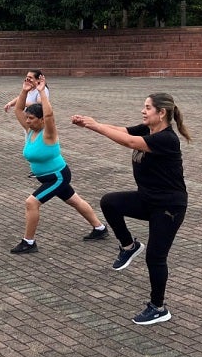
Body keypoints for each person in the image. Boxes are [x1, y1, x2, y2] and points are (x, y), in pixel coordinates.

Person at [72, 93, 191, 326]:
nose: (143, 111)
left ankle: (158, 307)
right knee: (110, 202)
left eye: (148, 108)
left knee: (155, 257)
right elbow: (123, 131)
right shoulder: (148, 129)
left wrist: (95, 126)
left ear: (161, 113)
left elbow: (130, 142)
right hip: (147, 199)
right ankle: (129, 246)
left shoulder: (167, 139)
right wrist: (91, 123)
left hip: (169, 207)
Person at [10, 74, 107, 254]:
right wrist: (24, 91)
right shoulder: (30, 130)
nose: (27, 121)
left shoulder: (48, 133)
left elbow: (49, 114)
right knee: (75, 201)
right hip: (50, 177)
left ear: (41, 120)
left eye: (31, 118)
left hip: (57, 176)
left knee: (31, 203)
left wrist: (42, 92)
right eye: (27, 118)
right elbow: (18, 109)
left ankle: (29, 243)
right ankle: (100, 228)